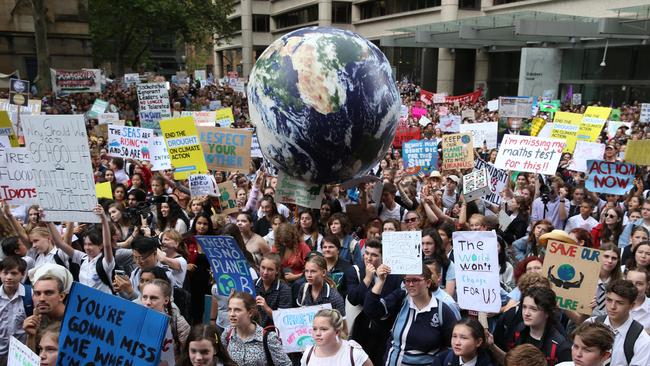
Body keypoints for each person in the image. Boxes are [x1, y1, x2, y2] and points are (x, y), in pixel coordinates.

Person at [363, 265, 456, 365]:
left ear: (428, 283)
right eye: (407, 280)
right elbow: (371, 310)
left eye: (415, 280)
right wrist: (380, 281)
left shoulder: (442, 311)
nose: (410, 284)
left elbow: (452, 348)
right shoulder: (401, 298)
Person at [345, 238, 402, 366]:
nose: (369, 258)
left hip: (385, 330)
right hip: (361, 329)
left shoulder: (394, 275)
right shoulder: (355, 271)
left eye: (374, 255)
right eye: (367, 253)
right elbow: (353, 299)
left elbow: (396, 299)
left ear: (382, 257)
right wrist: (367, 279)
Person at [488, 286, 572, 366]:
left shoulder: (560, 346)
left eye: (533, 309)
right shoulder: (519, 330)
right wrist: (492, 346)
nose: (526, 313)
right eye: (524, 307)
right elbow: (511, 362)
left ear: (547, 312)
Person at [47, 204, 115, 293]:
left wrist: (103, 219)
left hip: (102, 305)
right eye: (85, 244)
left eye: (91, 244)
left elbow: (107, 245)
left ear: (100, 245)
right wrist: (48, 221)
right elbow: (59, 243)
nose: (87, 248)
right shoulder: (82, 258)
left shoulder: (106, 262)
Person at [586, 279, 650, 366]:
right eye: (609, 300)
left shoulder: (642, 339)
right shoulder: (590, 324)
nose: (612, 307)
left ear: (632, 306)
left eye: (620, 303)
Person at [223, 292, 291, 366]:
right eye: (229, 309)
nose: (232, 314)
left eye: (237, 310)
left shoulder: (268, 338)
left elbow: (286, 364)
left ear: (250, 313)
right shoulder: (227, 333)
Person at [23, 264, 73, 351]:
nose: (41, 299)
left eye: (48, 293)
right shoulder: (38, 318)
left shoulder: (75, 323)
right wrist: (31, 337)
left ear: (61, 296)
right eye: (37, 293)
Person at [142, 279, 190, 365]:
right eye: (144, 297)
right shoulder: (136, 319)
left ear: (166, 300)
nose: (148, 302)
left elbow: (188, 354)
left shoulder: (178, 323)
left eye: (153, 298)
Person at [301, 309, 372, 366]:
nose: (317, 333)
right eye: (314, 329)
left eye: (324, 329)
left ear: (337, 332)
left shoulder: (354, 353)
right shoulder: (308, 354)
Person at [0, 257, 30, 365]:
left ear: (22, 274)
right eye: (5, 273)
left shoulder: (30, 295)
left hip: (21, 356)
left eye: (14, 273)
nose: (8, 277)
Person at [254, 253, 292, 327]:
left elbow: (283, 320)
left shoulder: (284, 290)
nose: (265, 272)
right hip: (253, 330)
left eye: (270, 269)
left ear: (277, 271)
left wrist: (266, 308)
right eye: (263, 267)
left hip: (274, 331)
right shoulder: (252, 284)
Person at [421, 228, 455, 296]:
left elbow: (449, 293)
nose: (425, 247)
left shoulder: (448, 265)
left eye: (429, 243)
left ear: (437, 244)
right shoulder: (416, 262)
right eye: (422, 243)